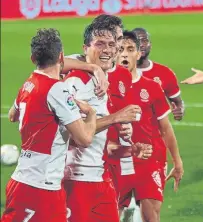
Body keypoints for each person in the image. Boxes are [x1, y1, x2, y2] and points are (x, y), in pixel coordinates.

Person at [2, 28, 97, 222]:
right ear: (61, 56)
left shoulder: (29, 83)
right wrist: (91, 114)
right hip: (39, 187)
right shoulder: (57, 90)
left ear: (33, 58)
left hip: (30, 181)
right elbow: (85, 138)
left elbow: (13, 115)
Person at [63, 23, 147, 222]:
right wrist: (116, 117)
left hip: (101, 176)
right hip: (76, 177)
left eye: (112, 44)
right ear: (86, 48)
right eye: (100, 44)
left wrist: (127, 141)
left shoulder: (103, 79)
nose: (108, 49)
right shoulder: (75, 82)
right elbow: (75, 134)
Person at [110, 31, 184, 222]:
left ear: (139, 53)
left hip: (149, 159)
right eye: (120, 50)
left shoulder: (151, 87)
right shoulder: (105, 86)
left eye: (130, 49)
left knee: (151, 216)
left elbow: (166, 128)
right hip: (117, 158)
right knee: (110, 215)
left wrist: (177, 161)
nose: (124, 54)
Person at [132, 27, 185, 121]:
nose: (141, 45)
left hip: (155, 133)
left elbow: (178, 102)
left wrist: (180, 110)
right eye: (137, 41)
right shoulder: (118, 71)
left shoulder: (165, 73)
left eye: (145, 40)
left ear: (150, 45)